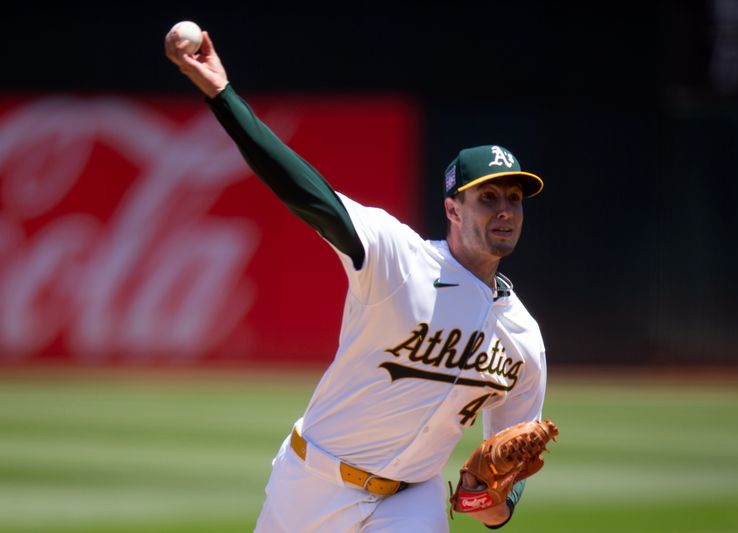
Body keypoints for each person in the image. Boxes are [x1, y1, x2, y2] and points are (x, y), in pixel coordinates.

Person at [165, 26, 549, 533]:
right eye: (488, 197)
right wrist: (222, 95)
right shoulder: (398, 256)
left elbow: (514, 447)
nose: (505, 211)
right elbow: (308, 193)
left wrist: (501, 502)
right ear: (452, 209)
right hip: (313, 484)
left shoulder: (523, 338)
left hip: (412, 498)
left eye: (514, 199)